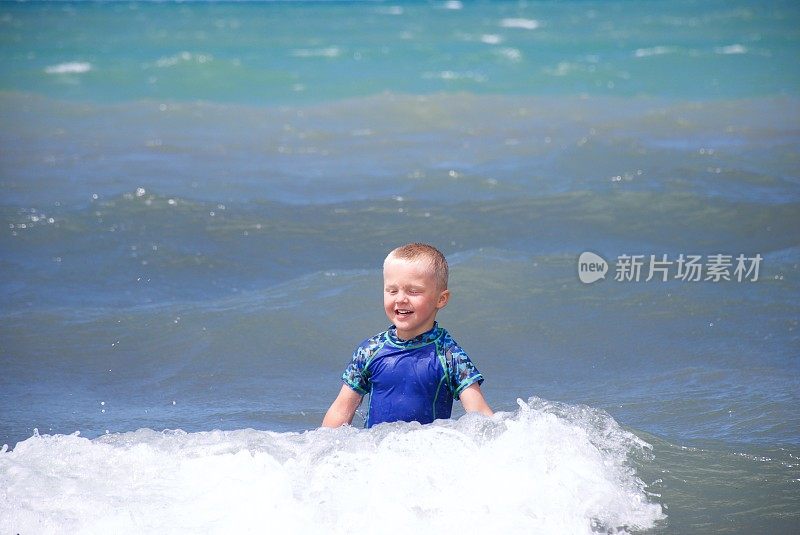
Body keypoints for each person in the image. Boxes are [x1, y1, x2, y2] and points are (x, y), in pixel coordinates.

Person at [322, 243, 493, 428]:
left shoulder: (449, 355)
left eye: (413, 291)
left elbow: (480, 414)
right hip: (375, 454)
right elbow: (341, 411)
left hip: (424, 454)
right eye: (392, 290)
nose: (401, 299)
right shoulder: (370, 351)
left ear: (441, 299)